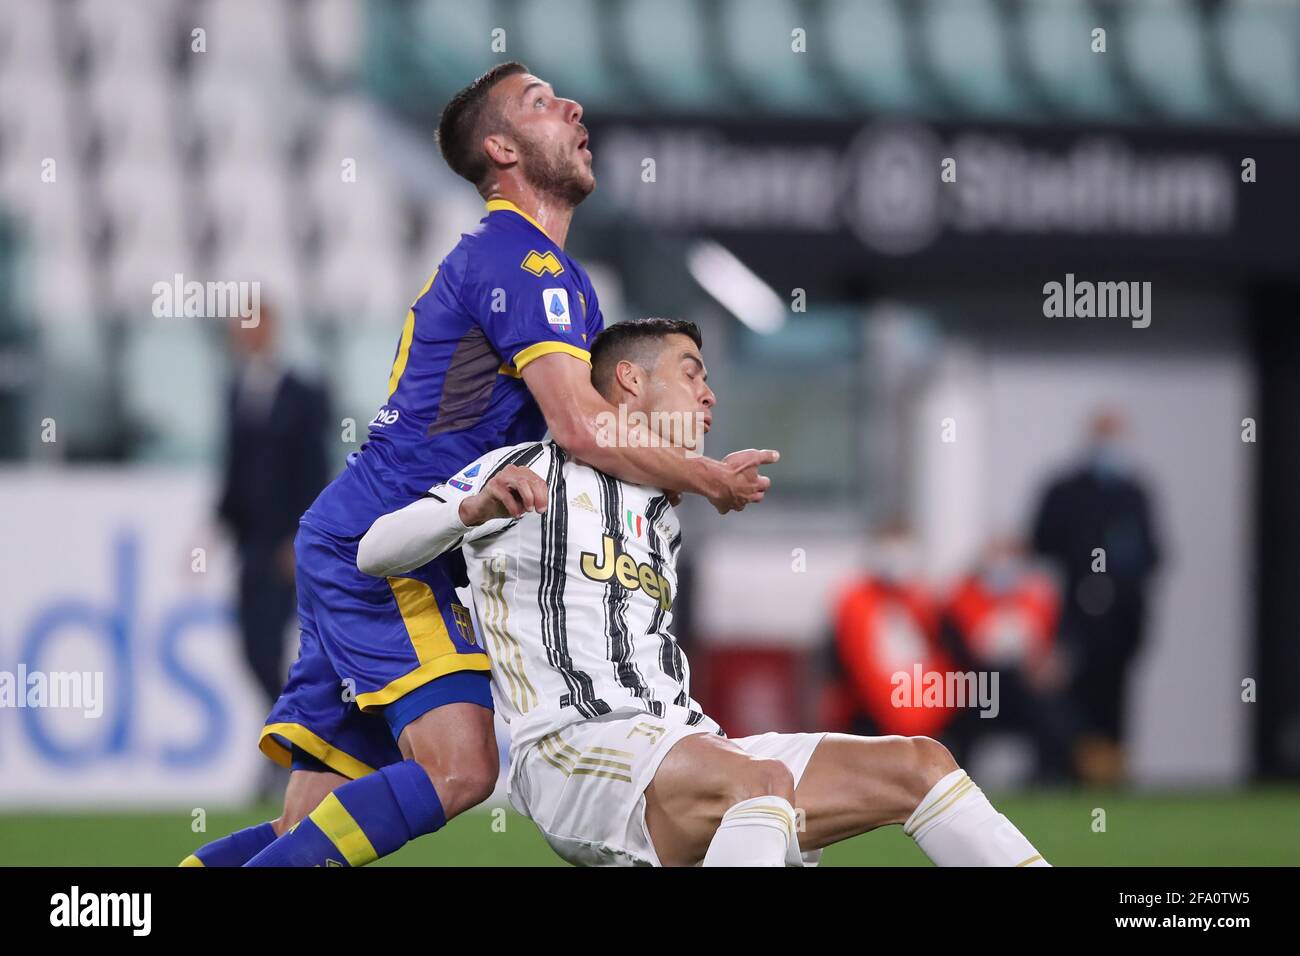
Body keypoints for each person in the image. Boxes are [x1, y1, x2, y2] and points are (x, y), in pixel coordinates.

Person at [180, 64, 774, 868]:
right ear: (500, 149)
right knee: (460, 770)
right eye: (539, 102)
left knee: (304, 829)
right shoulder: (521, 262)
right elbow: (581, 428)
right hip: (394, 549)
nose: (571, 104)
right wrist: (703, 477)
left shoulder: (549, 278)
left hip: (365, 535)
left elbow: (591, 429)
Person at [356, 319, 1049, 867]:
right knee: (759, 785)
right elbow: (374, 548)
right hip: (574, 751)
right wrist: (467, 512)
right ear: (629, 380)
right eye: (693, 373)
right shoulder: (535, 466)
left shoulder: (664, 509)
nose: (710, 394)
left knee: (919, 764)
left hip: (685, 746)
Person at [1030, 409, 1161, 785]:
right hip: (1073, 618)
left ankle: (1110, 777)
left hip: (1120, 623)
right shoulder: (1065, 490)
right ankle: (1070, 773)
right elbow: (1042, 544)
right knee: (1069, 701)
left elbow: (1153, 554)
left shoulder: (1134, 492)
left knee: (1115, 702)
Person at [217, 305, 330, 712]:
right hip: (250, 543)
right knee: (252, 647)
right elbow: (233, 469)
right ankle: (286, 730)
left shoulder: (303, 393)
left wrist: (301, 534)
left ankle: (297, 733)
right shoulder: (235, 390)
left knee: (278, 642)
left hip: (285, 541)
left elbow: (314, 469)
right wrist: (215, 528)